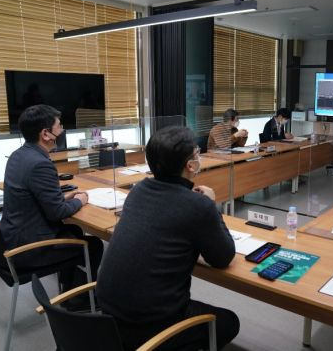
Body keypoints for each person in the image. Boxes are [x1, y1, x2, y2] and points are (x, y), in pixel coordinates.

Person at [97, 126, 239, 351]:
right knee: (229, 322)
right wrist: (210, 204)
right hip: (150, 324)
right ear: (190, 165)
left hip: (106, 317)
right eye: (197, 153)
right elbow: (223, 257)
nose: (199, 157)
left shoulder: (138, 190)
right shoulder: (198, 205)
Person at [0, 104, 103, 293]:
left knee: (74, 230)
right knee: (94, 244)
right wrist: (80, 200)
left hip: (11, 238)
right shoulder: (40, 163)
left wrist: (62, 197)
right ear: (46, 134)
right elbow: (57, 212)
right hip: (28, 249)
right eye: (60, 126)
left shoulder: (18, 155)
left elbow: (35, 196)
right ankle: (81, 299)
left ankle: (68, 290)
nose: (62, 131)